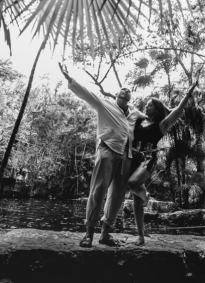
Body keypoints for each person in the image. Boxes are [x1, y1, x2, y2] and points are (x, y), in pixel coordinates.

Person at [61, 65, 145, 247]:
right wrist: (70, 79)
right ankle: (89, 234)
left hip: (126, 156)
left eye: (128, 91)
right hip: (107, 150)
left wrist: (168, 111)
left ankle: (105, 234)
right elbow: (86, 93)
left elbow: (151, 119)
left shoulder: (134, 113)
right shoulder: (105, 104)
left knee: (117, 196)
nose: (126, 90)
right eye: (122, 89)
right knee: (98, 191)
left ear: (130, 98)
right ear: (116, 95)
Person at [127, 83, 198, 245]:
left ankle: (146, 195)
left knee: (132, 184)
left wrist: (188, 94)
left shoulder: (161, 125)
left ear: (156, 109)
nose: (146, 106)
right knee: (135, 200)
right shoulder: (139, 121)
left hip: (148, 159)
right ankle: (140, 236)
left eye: (149, 105)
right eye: (146, 104)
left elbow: (178, 111)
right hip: (133, 158)